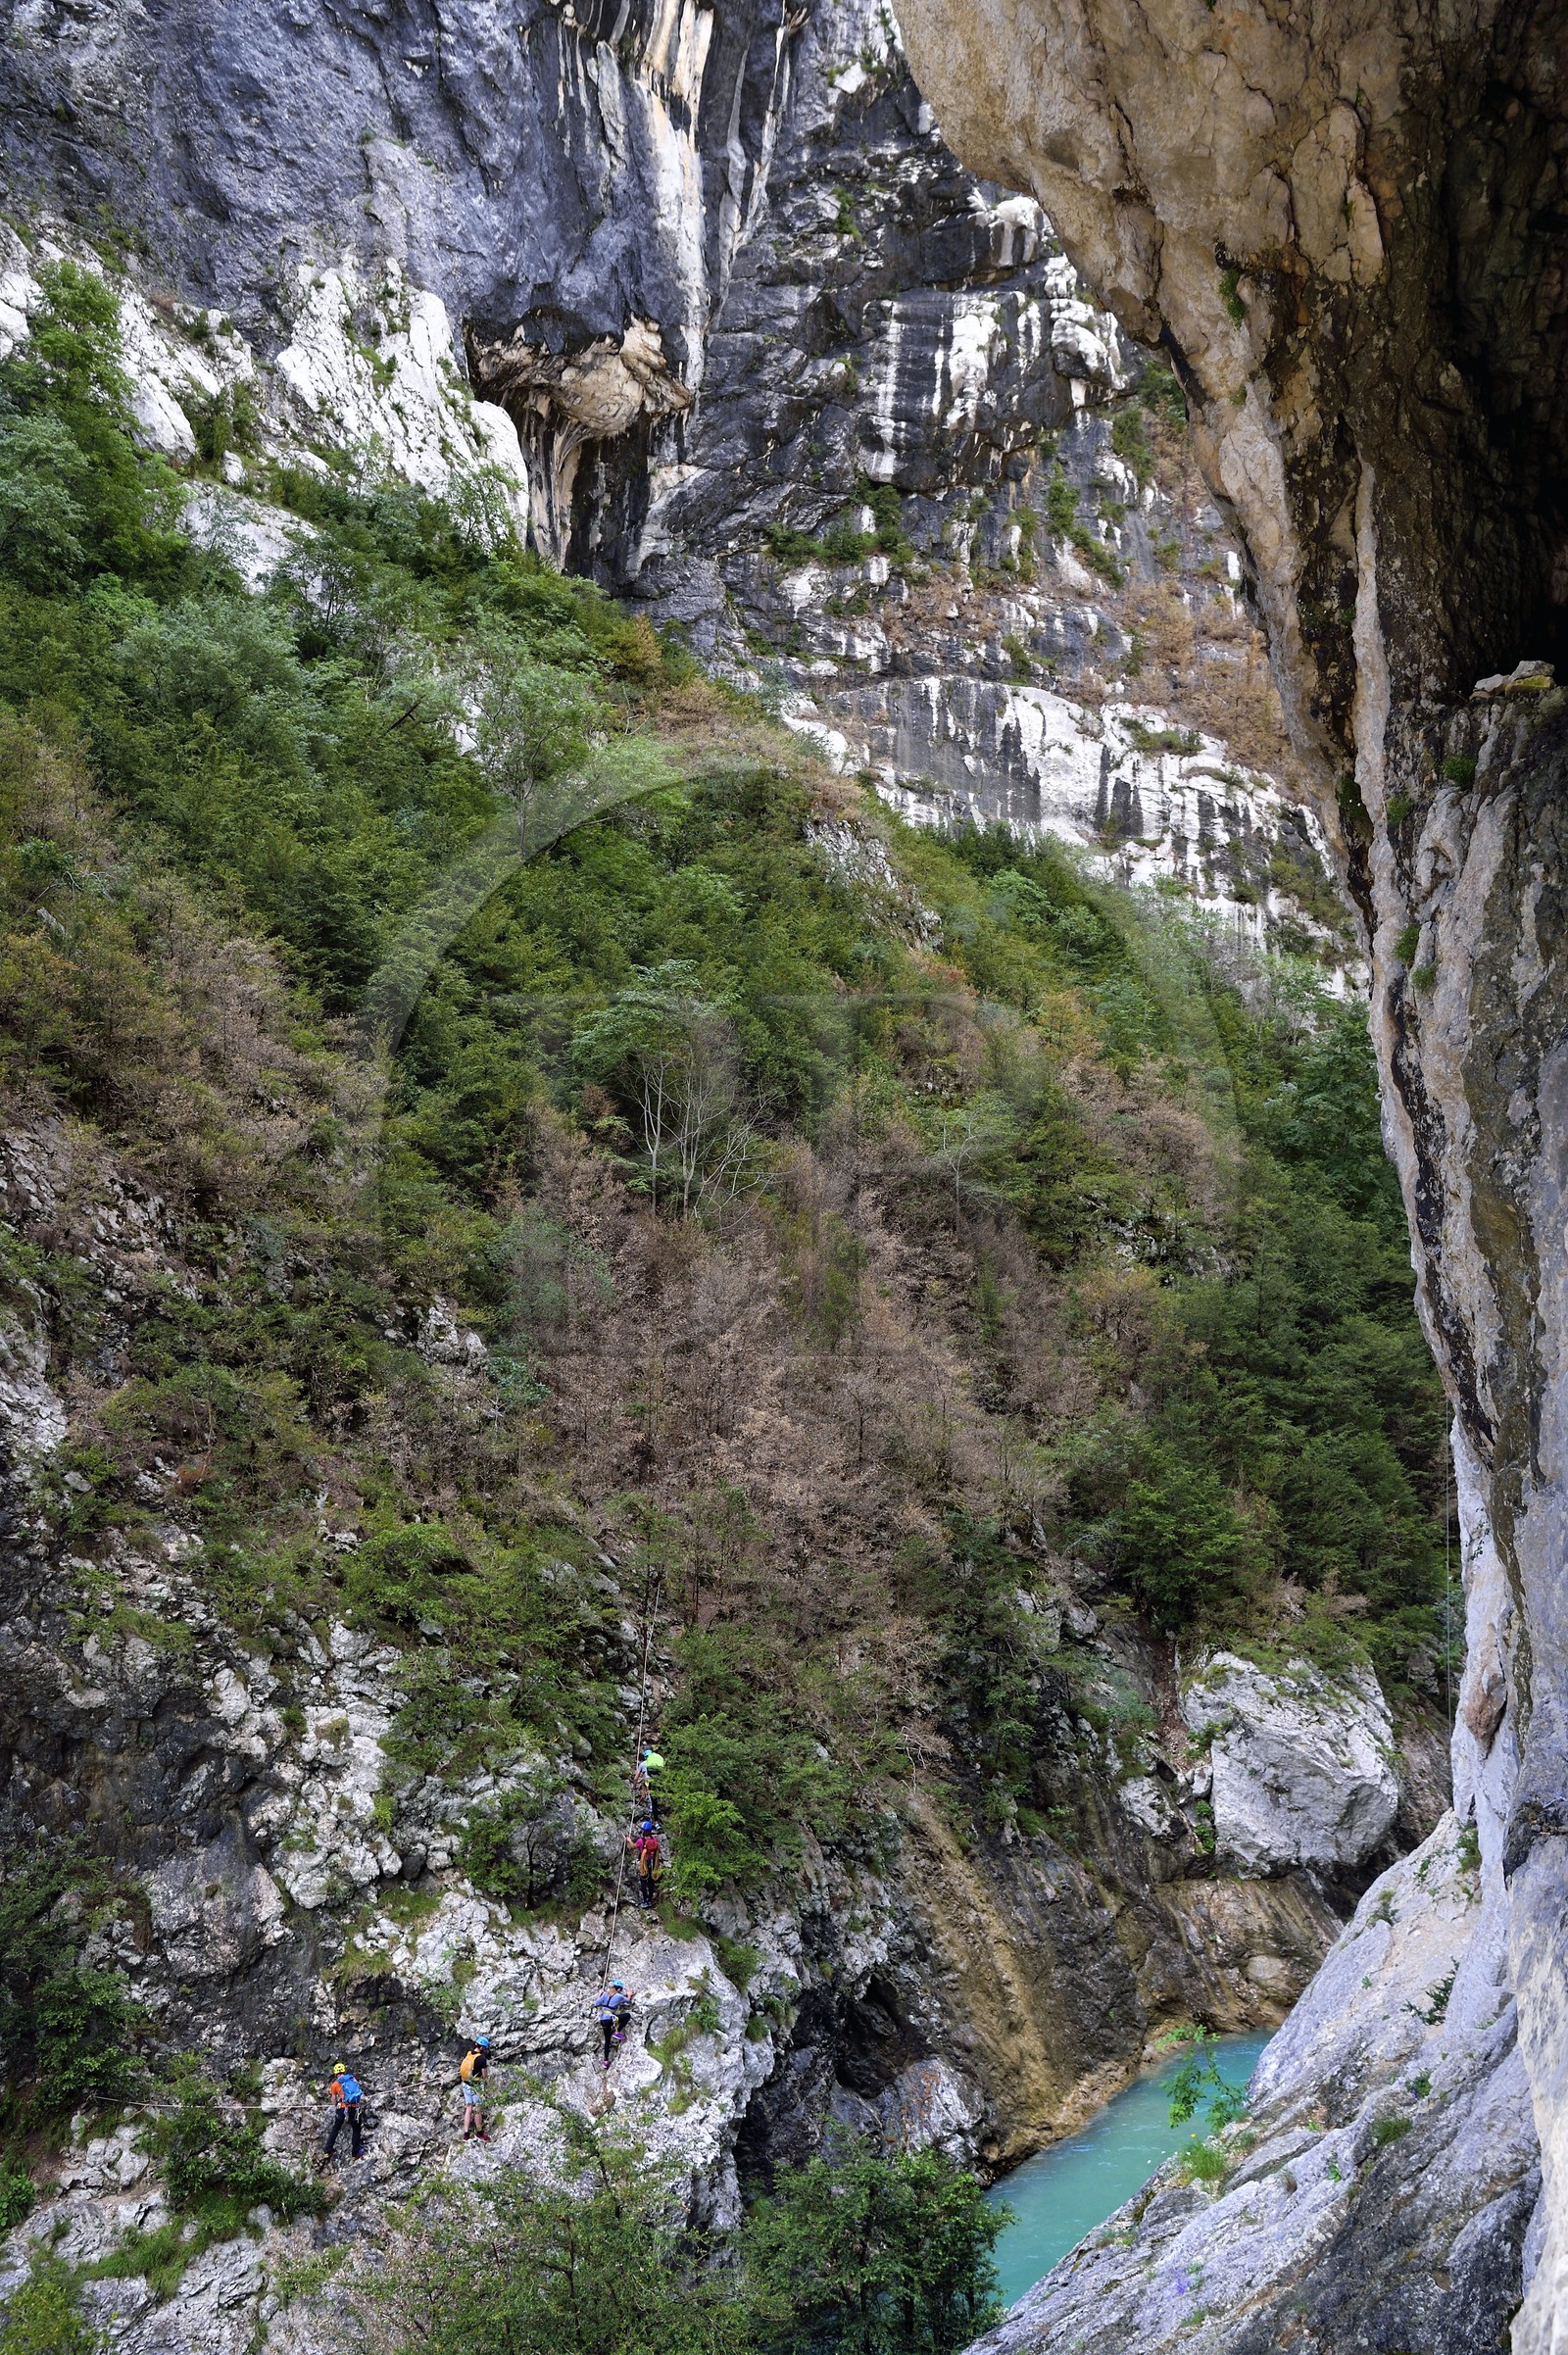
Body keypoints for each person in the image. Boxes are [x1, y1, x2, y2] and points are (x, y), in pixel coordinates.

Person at [322, 2063, 365, 2162]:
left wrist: (337, 2103)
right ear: (344, 2071)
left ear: (335, 2073)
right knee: (356, 2129)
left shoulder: (335, 2085)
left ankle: (327, 2151)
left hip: (342, 2108)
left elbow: (333, 2100)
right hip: (354, 2108)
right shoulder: (352, 2079)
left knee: (336, 2128)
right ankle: (355, 2153)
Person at [459, 2036, 492, 2141]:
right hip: (476, 2087)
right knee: (478, 2109)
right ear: (482, 2048)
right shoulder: (482, 2059)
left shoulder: (469, 2054)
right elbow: (484, 2076)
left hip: (465, 2085)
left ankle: (466, 2135)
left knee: (469, 2108)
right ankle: (479, 2133)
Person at [593, 1981, 633, 2069]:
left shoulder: (605, 1995)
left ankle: (606, 2061)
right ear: (618, 1989)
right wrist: (629, 1995)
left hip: (603, 2020)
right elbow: (627, 2002)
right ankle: (617, 2032)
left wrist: (599, 1994)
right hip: (610, 2019)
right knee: (627, 2016)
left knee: (607, 2040)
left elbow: (596, 2003)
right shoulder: (618, 1996)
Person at [627, 1821, 662, 1909]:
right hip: (653, 1863)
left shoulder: (640, 1841)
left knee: (643, 1881)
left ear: (644, 1831)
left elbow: (632, 1846)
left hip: (644, 1863)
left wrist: (629, 1840)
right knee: (651, 1882)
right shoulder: (654, 1840)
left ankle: (645, 1901)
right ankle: (649, 1900)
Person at [634, 1745, 665, 1823]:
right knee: (656, 1801)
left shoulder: (642, 1764)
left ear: (645, 1755)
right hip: (658, 1782)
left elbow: (635, 1778)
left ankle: (655, 1822)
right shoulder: (656, 1762)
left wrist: (634, 1787)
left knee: (652, 1802)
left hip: (649, 1783)